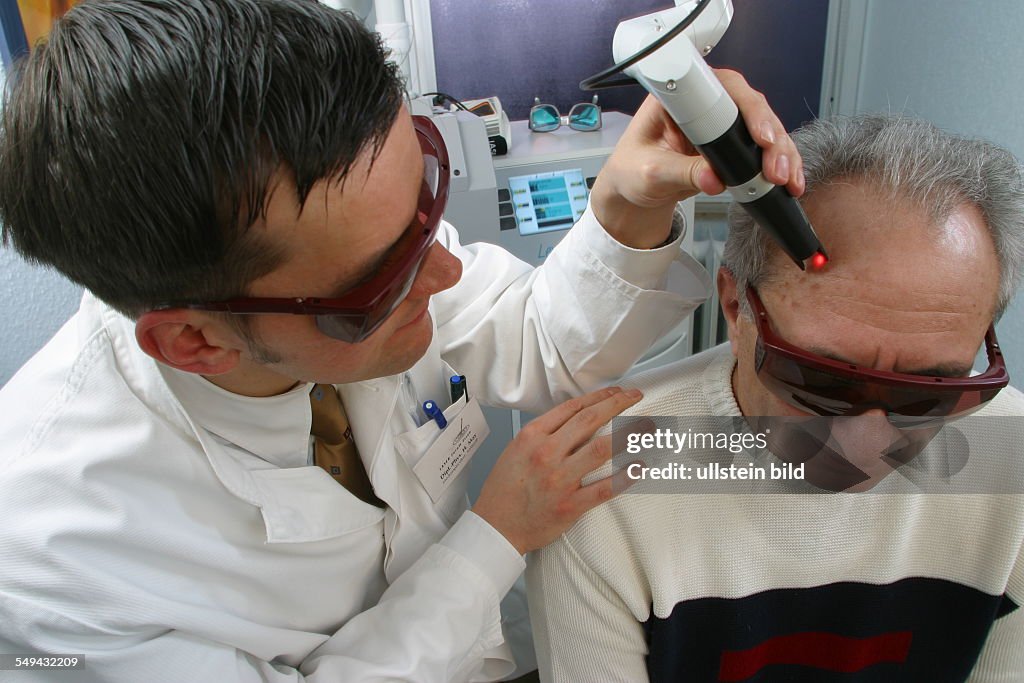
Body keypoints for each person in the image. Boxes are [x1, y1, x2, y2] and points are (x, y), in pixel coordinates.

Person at [0, 1, 806, 681]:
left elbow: (532, 335)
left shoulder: (344, 238)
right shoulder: (50, 565)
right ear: (194, 341)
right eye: (385, 281)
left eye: (426, 202)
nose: (448, 271)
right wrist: (492, 538)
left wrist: (630, 198)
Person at [527, 113, 1024, 682]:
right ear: (735, 305)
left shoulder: (1012, 460)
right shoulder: (609, 481)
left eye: (931, 392)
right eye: (820, 381)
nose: (865, 443)